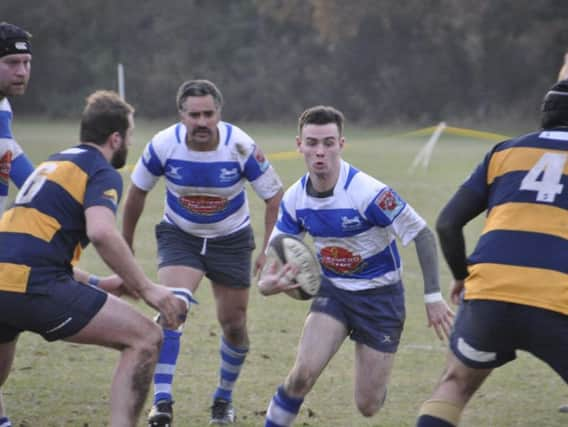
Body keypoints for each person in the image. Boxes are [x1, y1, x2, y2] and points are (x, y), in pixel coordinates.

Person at [0, 90, 189, 427]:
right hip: (34, 287)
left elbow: (32, 249)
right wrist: (148, 289)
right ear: (116, 138)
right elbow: (102, 232)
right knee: (146, 338)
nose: (130, 141)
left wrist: (101, 283)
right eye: (129, 135)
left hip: (6, 283)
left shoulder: (54, 163)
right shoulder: (100, 171)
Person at [258, 105, 454, 427]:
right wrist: (268, 285)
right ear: (299, 145)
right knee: (300, 377)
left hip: (381, 298)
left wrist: (432, 296)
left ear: (341, 144)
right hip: (334, 292)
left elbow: (422, 235)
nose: (319, 152)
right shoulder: (295, 199)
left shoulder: (369, 193)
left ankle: (375, 375)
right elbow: (275, 257)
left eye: (328, 143)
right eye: (312, 142)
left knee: (368, 405)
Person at [121, 79, 284, 426]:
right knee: (172, 307)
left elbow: (273, 197)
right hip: (181, 235)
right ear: (182, 116)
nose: (202, 122)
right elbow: (136, 192)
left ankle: (223, 399)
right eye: (194, 115)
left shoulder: (240, 145)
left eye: (208, 114)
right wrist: (126, 244)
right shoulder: (163, 145)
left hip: (231, 240)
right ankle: (162, 403)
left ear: (218, 114)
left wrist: (270, 249)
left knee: (235, 326)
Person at [415, 79, 568, 426]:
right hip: (557, 300)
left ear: (543, 117)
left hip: (489, 295)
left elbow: (447, 224)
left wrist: (461, 276)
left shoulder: (504, 152)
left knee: (455, 384)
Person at [0, 22, 36, 427]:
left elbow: (14, 160)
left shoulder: (3, 110)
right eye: (12, 62)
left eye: (26, 62)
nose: (22, 71)